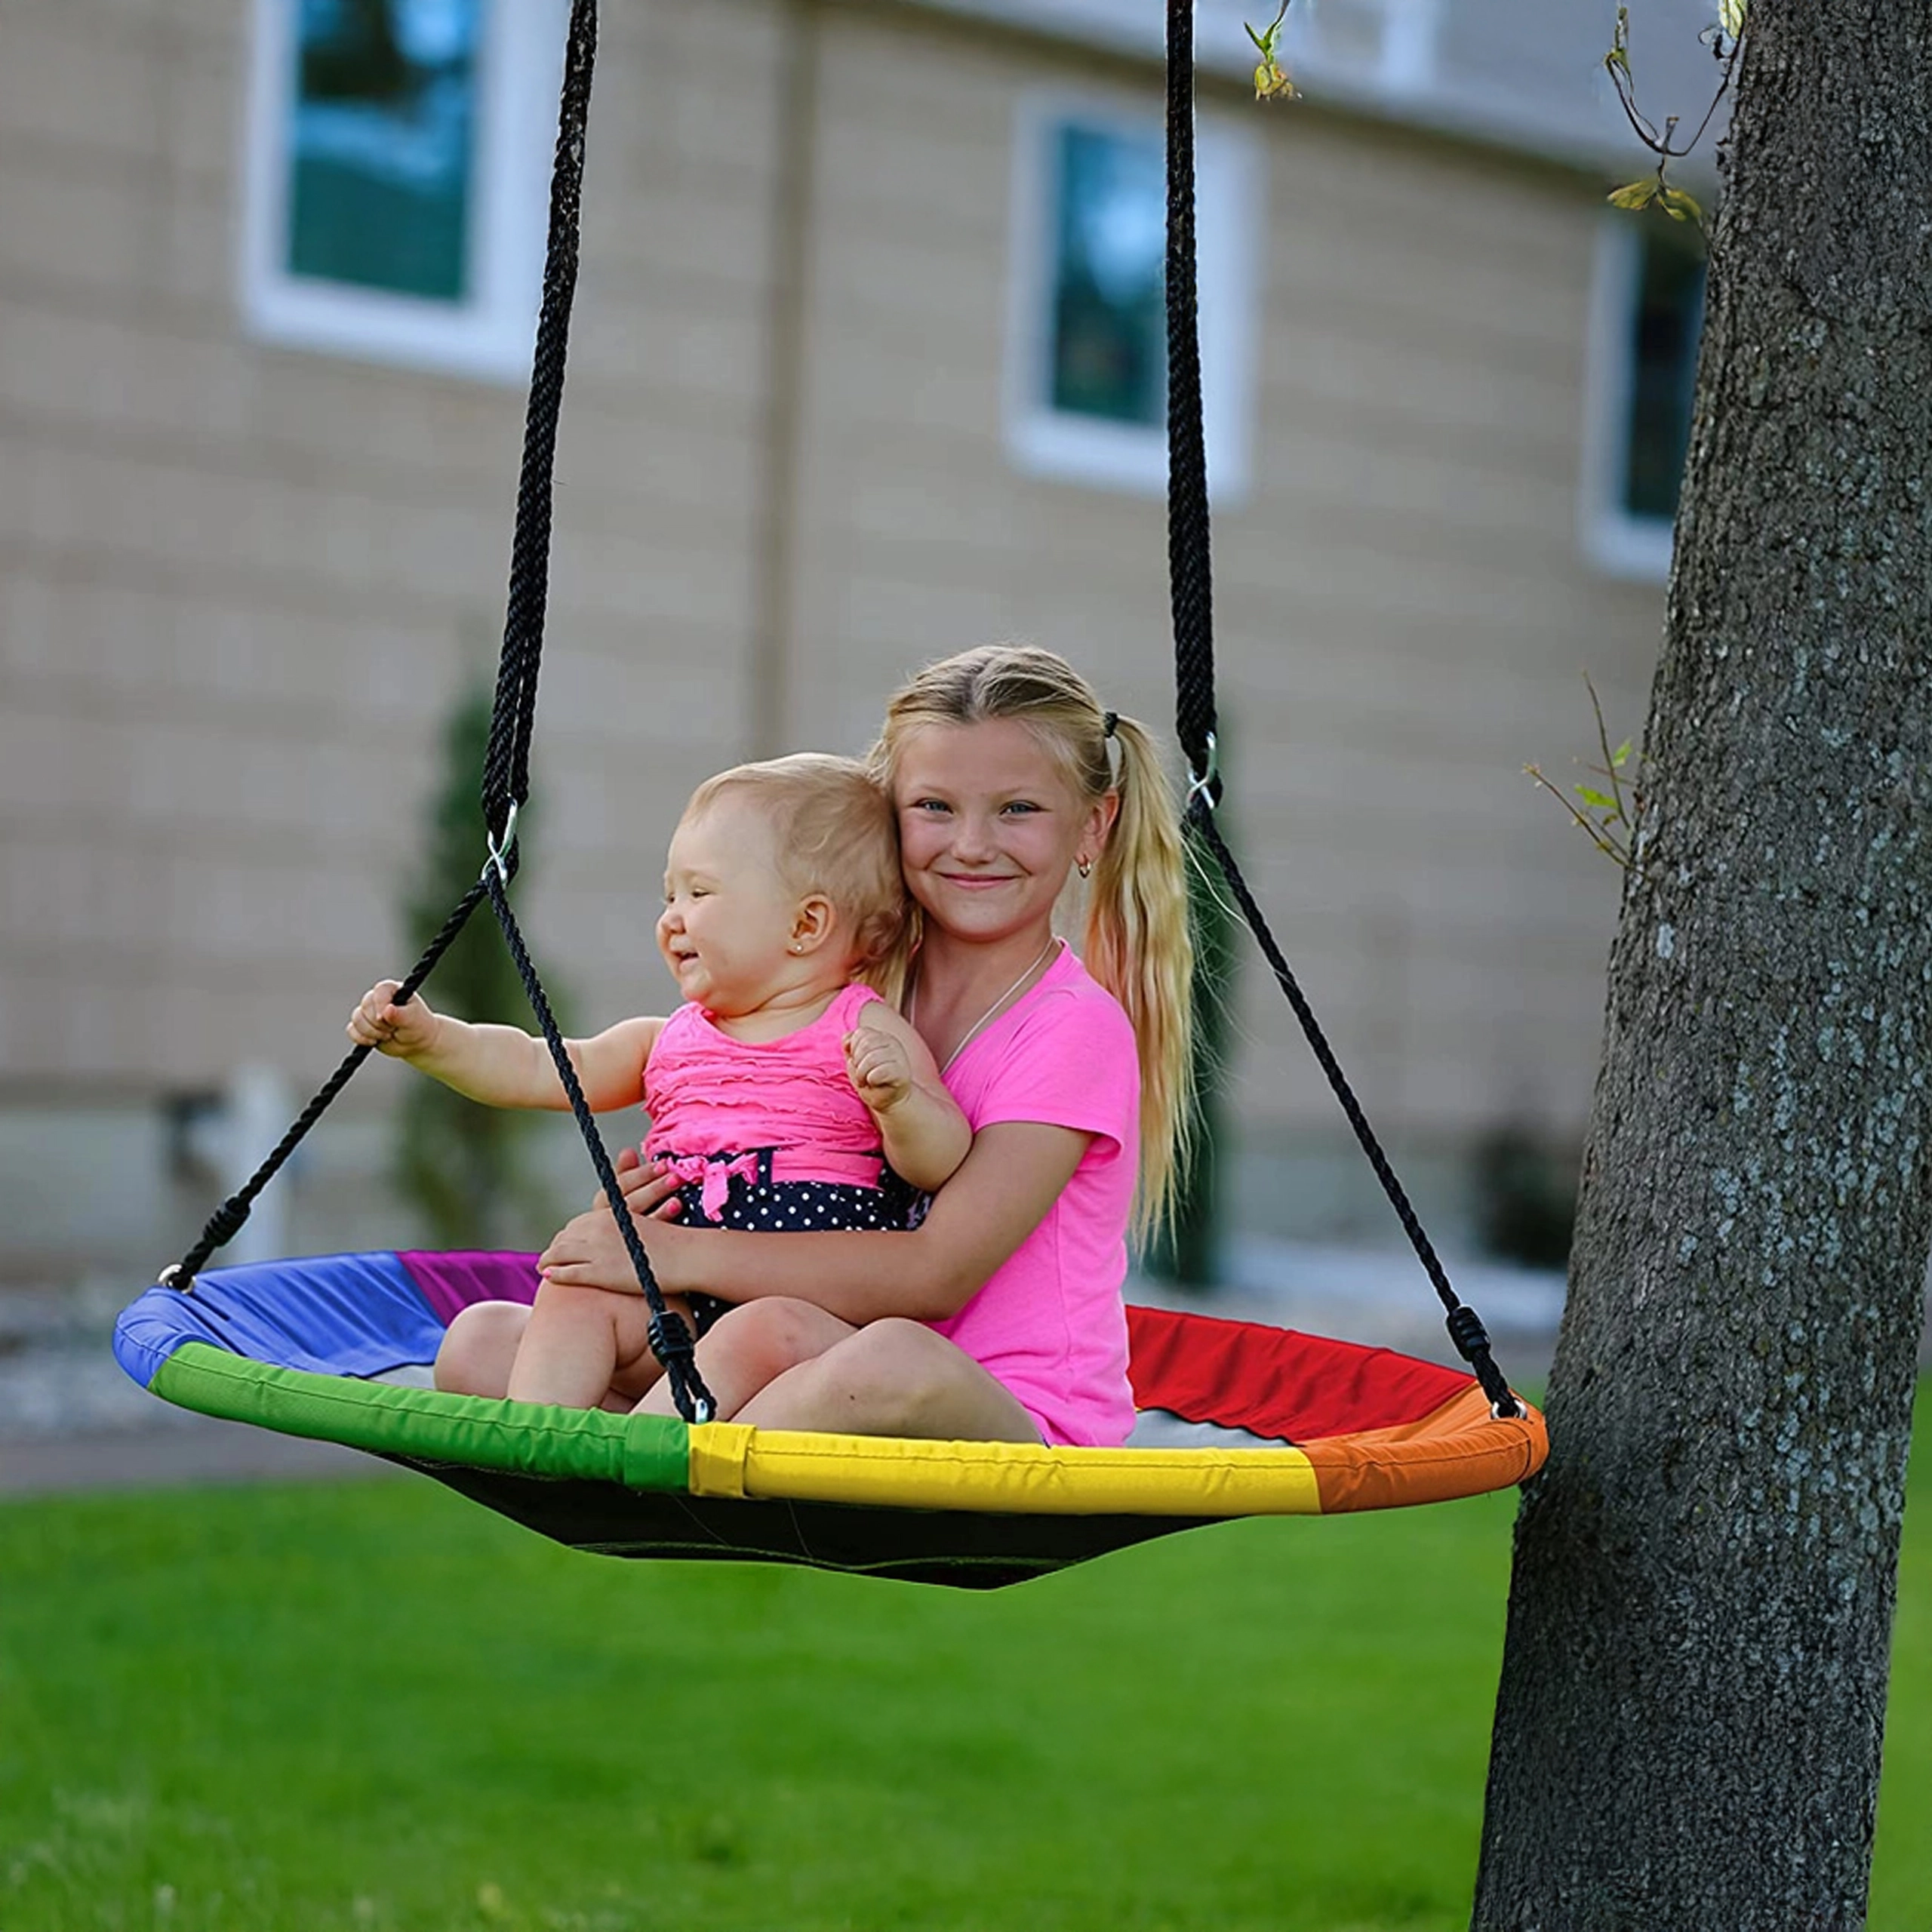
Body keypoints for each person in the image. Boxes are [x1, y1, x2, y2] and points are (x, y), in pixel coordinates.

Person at [533, 644, 1195, 1448]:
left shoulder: (1071, 1027)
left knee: (887, 1357)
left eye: (1017, 809)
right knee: (491, 1339)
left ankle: (658, 1474)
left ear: (1093, 825)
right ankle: (642, 1453)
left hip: (1001, 1409)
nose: (972, 844)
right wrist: (675, 1203)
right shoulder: (845, 994)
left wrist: (680, 1251)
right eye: (935, 807)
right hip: (803, 1357)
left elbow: (936, 1274)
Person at [348, 753, 971, 1412]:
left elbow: (940, 1159)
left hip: (798, 1329)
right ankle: (545, 1437)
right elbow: (540, 1065)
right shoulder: (666, 1040)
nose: (672, 918)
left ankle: (644, 1455)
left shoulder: (861, 1031)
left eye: (700, 894)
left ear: (805, 925)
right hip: (675, 1315)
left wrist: (900, 1103)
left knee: (760, 1330)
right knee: (488, 1334)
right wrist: (435, 1041)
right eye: (669, 896)